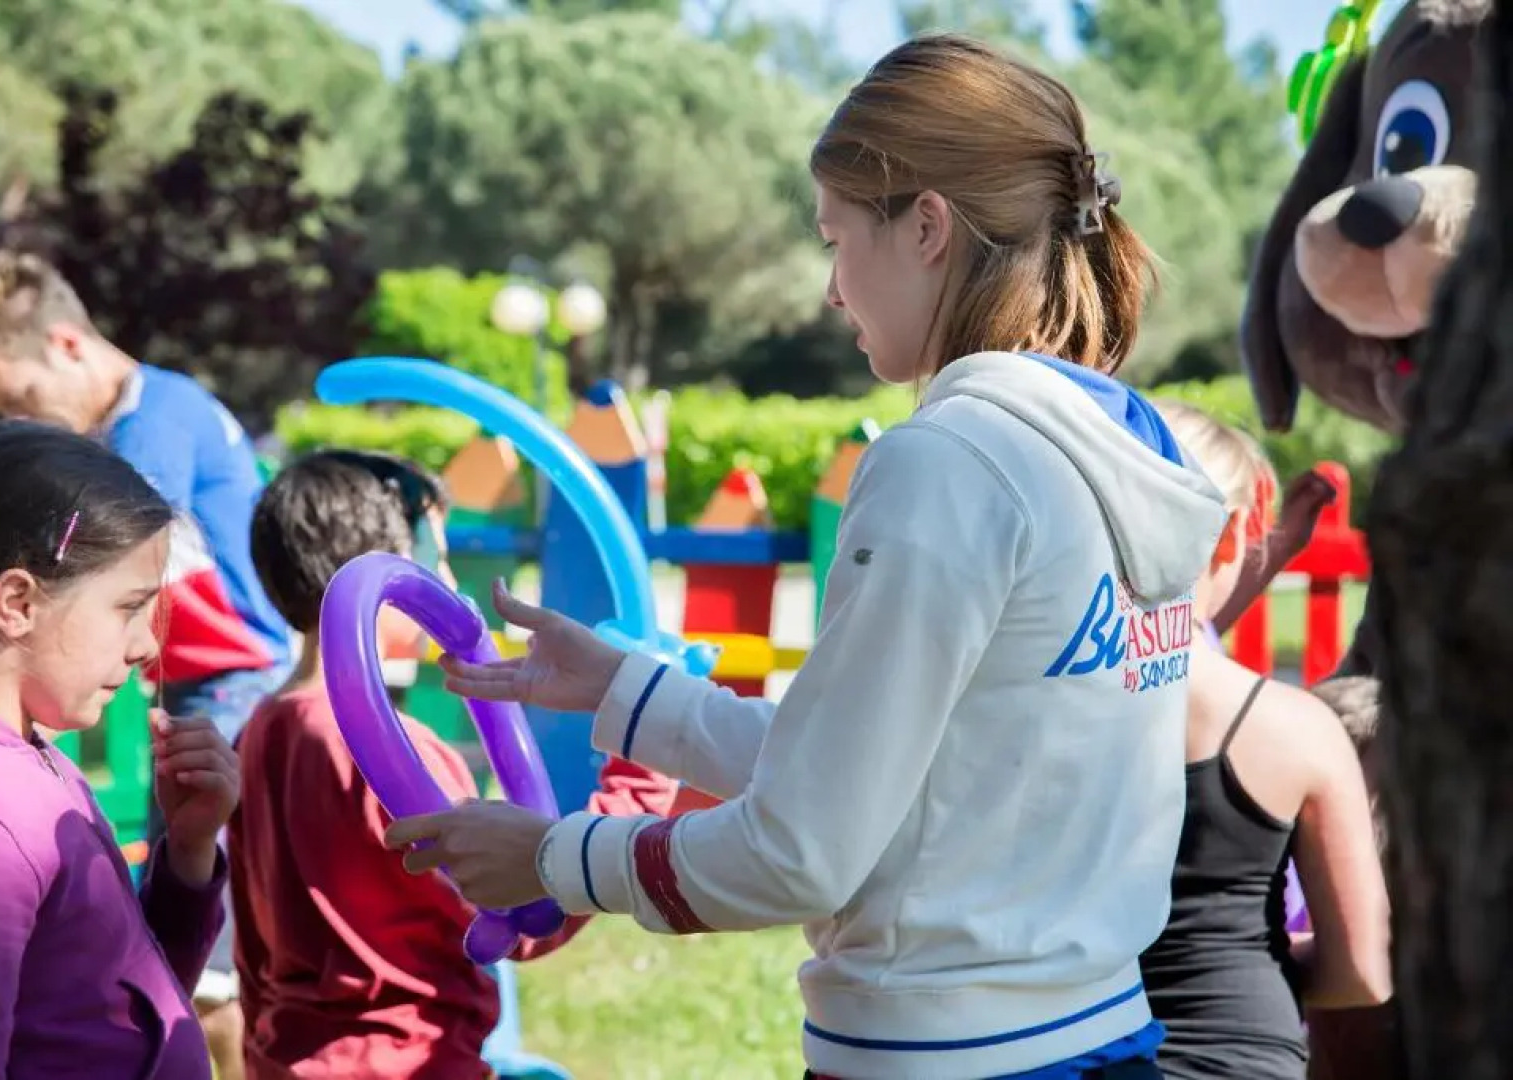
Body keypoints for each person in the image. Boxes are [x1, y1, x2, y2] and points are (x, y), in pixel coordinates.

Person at [386, 35, 1232, 1080]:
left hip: (936, 1058)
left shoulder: (948, 462)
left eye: (836, 238)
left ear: (924, 226)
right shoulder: (1122, 442)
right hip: (1099, 1034)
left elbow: (799, 854)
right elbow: (895, 780)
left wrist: (550, 859)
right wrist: (625, 692)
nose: (832, 287)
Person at [0, 248, 294, 1056]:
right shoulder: (158, 409)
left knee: (215, 977)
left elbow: (96, 567)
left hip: (231, 684)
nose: (25, 426)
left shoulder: (146, 428)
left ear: (65, 345)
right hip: (212, 681)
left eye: (21, 401)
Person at [232, 449, 678, 1079]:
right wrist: (640, 778)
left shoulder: (258, 730)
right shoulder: (390, 749)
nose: (447, 581)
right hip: (410, 1063)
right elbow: (524, 912)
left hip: (285, 1058)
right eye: (436, 559)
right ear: (393, 574)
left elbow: (255, 942)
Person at [0, 420, 240, 1079]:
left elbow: (111, 1013)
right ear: (18, 602)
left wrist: (190, 856)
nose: (146, 645)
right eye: (128, 607)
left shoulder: (25, 758)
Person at [1139, 402, 1391, 1080]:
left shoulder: (1011, 704)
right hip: (1234, 1051)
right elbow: (1361, 974)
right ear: (1230, 534)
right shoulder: (1291, 730)